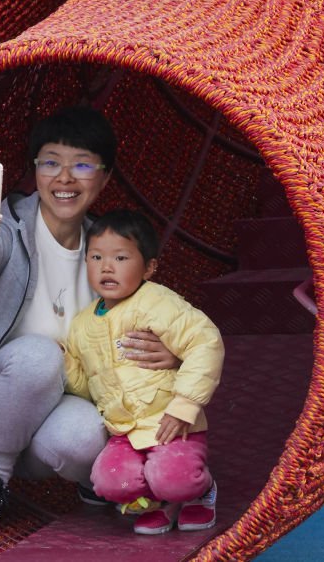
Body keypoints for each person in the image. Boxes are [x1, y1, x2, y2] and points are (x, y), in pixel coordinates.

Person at [0, 105, 179, 545]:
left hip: (41, 433)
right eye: (50, 163)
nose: (64, 178)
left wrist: (170, 354)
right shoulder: (6, 225)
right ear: (35, 172)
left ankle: (84, 475)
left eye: (81, 164)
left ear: (103, 177)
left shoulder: (109, 249)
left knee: (89, 437)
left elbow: (146, 322)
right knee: (41, 355)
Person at [64, 209, 224, 535]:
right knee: (109, 481)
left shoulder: (156, 302)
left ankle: (200, 490)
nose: (106, 267)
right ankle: (153, 504)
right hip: (124, 432)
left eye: (120, 257)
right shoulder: (81, 324)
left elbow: (205, 343)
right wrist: (63, 362)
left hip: (173, 424)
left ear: (149, 268)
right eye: (96, 257)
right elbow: (84, 387)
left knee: (174, 478)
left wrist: (184, 407)